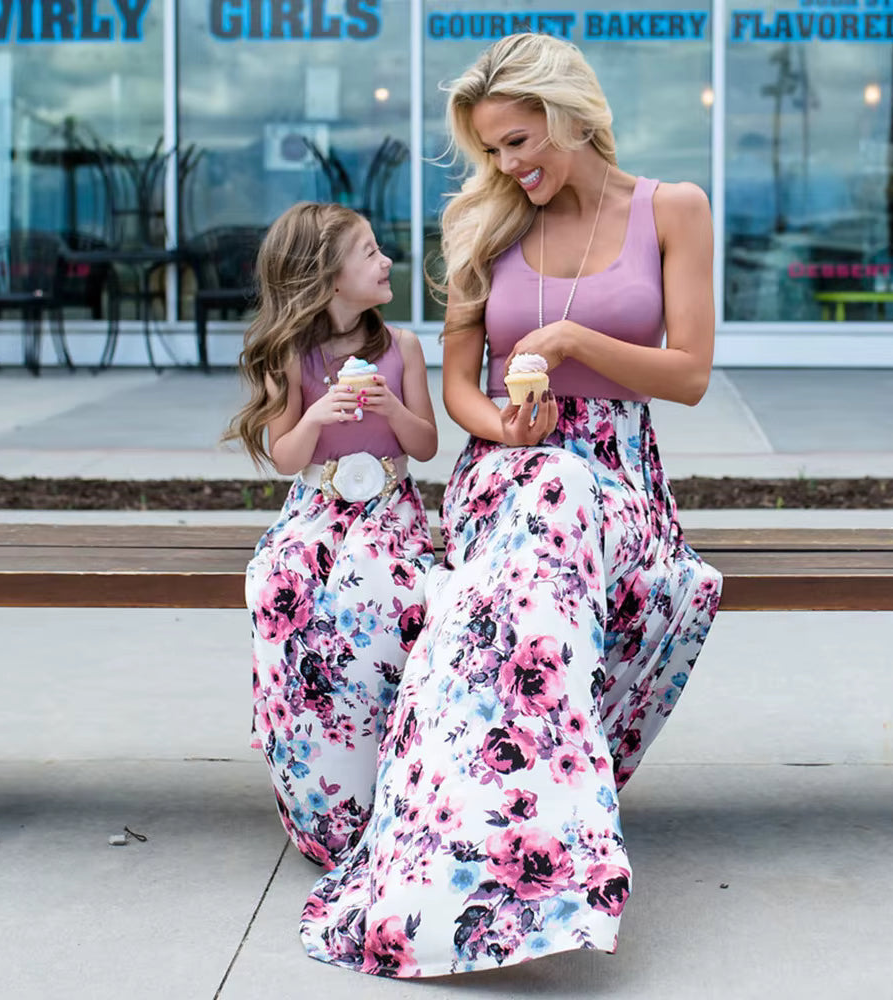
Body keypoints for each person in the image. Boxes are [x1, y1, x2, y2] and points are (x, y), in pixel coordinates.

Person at [298, 34, 723, 977]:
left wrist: (574, 339)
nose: (506, 165)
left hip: (617, 472)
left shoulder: (673, 209)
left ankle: (478, 829)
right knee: (544, 502)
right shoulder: (479, 222)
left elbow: (689, 374)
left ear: (573, 117)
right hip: (505, 467)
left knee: (553, 516)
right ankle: (507, 843)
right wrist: (505, 422)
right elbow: (457, 388)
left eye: (521, 140)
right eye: (492, 148)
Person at [224, 201, 438, 868]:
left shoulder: (401, 348)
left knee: (387, 598)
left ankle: (383, 772)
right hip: (316, 507)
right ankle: (308, 762)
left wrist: (392, 406)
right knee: (281, 586)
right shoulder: (295, 355)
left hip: (391, 511)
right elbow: (286, 457)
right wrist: (317, 413)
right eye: (370, 251)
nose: (386, 261)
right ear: (326, 275)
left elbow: (427, 446)